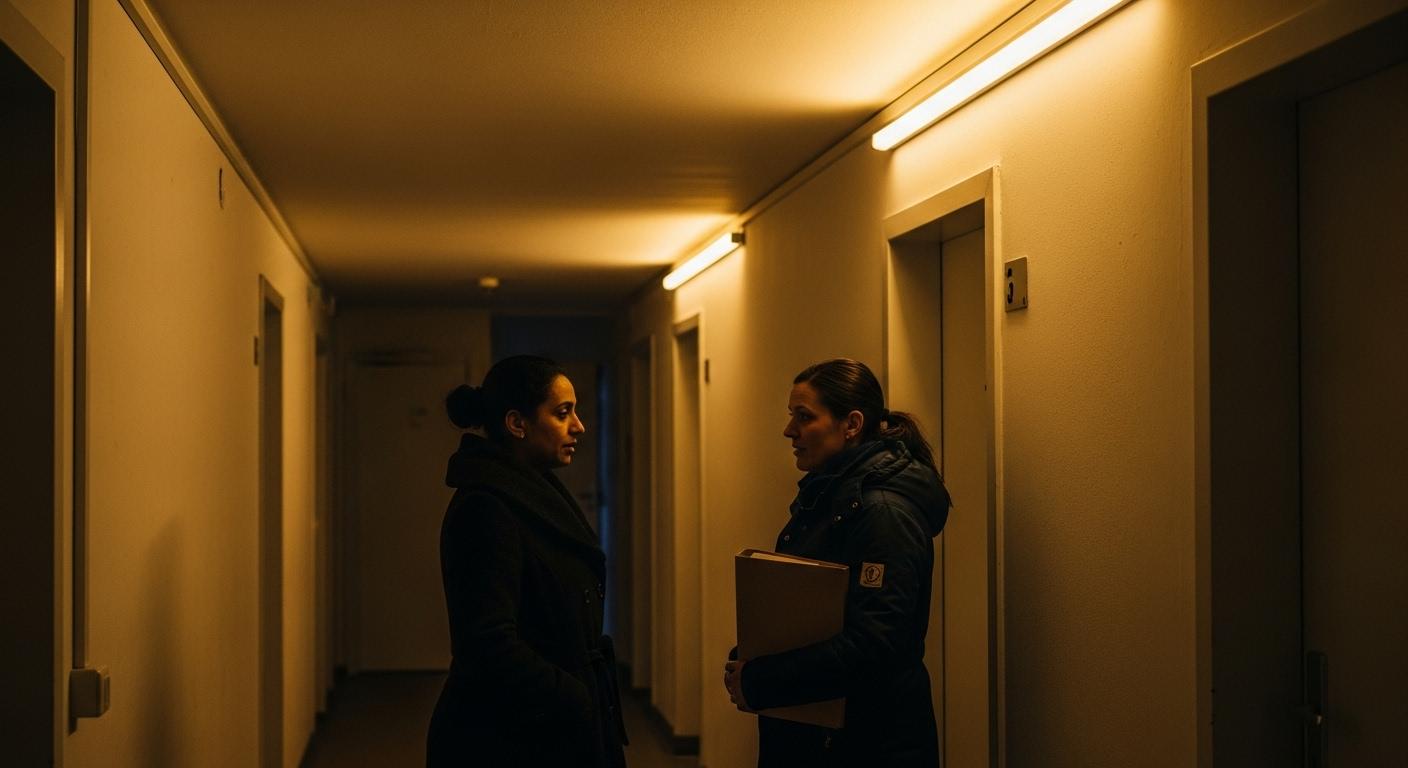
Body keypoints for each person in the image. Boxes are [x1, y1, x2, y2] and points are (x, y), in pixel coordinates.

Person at [723, 358, 951, 767]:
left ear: (852, 424)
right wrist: (755, 654)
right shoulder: (834, 496)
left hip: (868, 744)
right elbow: (816, 614)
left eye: (804, 417)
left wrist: (762, 679)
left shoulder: (882, 513)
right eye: (791, 415)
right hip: (828, 735)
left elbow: (876, 646)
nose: (789, 430)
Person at [427, 355, 626, 767]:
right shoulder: (485, 508)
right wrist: (574, 696)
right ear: (517, 424)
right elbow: (486, 643)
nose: (579, 426)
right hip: (512, 736)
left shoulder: (533, 488)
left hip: (546, 725)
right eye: (562, 413)